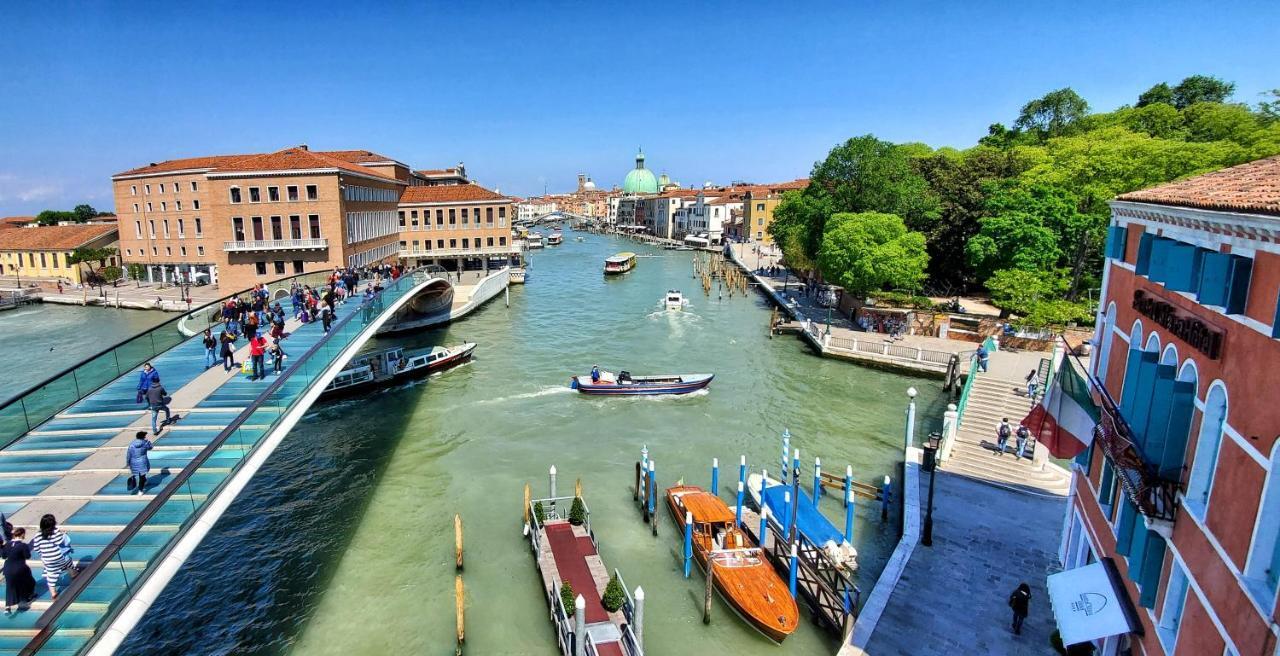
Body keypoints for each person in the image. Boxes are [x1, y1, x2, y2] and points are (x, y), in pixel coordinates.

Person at [29, 515, 72, 601]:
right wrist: (64, 534)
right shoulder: (55, 532)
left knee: (51, 574)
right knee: (68, 561)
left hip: (47, 559)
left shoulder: (38, 535)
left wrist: (43, 553)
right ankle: (73, 573)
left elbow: (36, 548)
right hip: (58, 556)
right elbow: (60, 541)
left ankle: (53, 593)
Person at [2, 525, 36, 614]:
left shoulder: (7, 544)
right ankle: (28, 596)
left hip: (8, 569)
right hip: (20, 568)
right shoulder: (23, 545)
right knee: (30, 581)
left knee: (9, 586)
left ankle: (7, 607)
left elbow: (3, 556)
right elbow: (27, 556)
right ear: (22, 535)